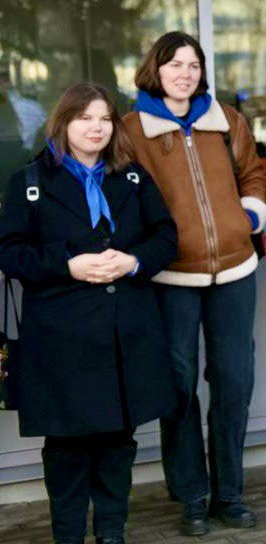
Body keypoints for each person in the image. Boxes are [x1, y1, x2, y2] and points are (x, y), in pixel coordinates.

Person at [0, 82, 177, 544]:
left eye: (104, 119)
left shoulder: (131, 177)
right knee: (68, 449)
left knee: (118, 443)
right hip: (61, 342)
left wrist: (133, 261)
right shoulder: (29, 181)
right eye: (84, 118)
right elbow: (11, 253)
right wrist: (67, 265)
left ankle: (112, 533)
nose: (96, 128)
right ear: (63, 123)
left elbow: (165, 236)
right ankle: (68, 535)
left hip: (124, 335)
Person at [121, 31, 266, 537]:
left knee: (234, 381)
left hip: (235, 270)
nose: (184, 74)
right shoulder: (131, 129)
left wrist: (248, 218)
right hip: (171, 275)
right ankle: (192, 495)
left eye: (193, 65)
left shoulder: (226, 120)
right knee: (179, 384)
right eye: (174, 64)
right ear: (155, 69)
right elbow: (124, 194)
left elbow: (253, 174)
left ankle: (230, 493)